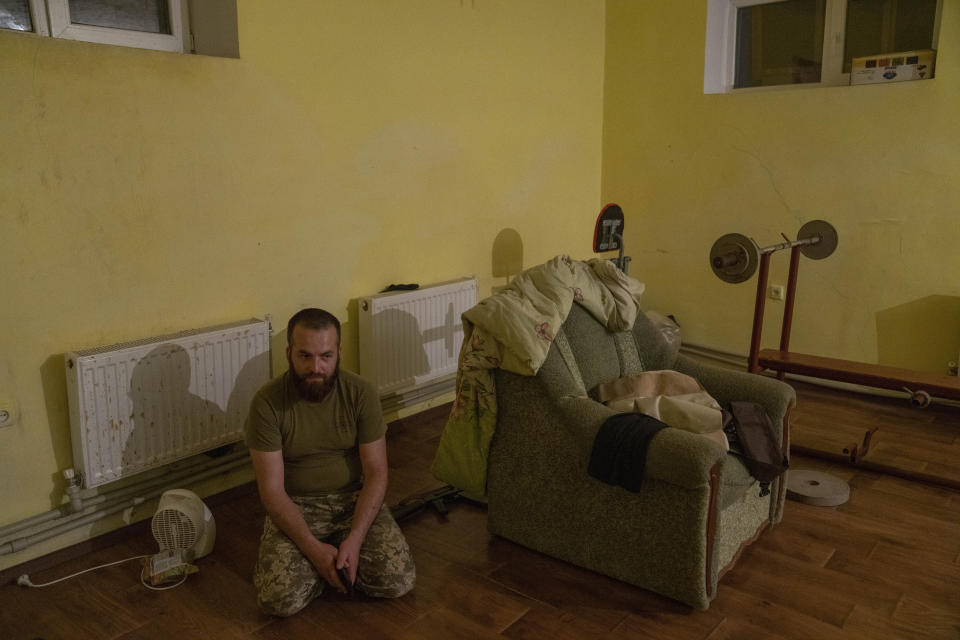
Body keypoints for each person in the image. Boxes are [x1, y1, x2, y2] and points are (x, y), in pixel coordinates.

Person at [244, 308, 415, 616]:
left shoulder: (361, 393)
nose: (316, 367)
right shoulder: (267, 403)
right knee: (278, 601)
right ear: (289, 354)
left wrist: (356, 537)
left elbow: (376, 472)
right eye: (304, 356)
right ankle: (328, 565)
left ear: (339, 353)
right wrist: (314, 550)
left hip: (353, 499)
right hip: (297, 505)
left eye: (325, 356)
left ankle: (334, 562)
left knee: (397, 581)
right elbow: (271, 491)